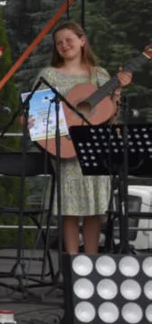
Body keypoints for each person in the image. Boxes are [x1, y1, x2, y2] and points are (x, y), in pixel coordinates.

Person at [37, 20, 131, 254]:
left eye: (69, 39)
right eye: (59, 43)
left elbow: (109, 116)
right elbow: (39, 116)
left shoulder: (98, 75)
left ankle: (91, 262)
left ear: (82, 41)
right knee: (69, 208)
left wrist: (117, 91)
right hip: (66, 147)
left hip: (94, 148)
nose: (64, 45)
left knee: (94, 207)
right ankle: (71, 264)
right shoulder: (49, 75)